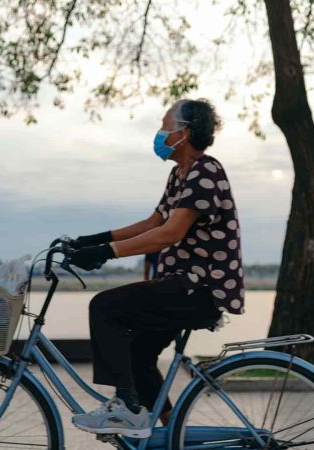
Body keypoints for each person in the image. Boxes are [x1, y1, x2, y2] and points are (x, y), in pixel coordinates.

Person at [67, 98, 245, 438]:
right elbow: (154, 221)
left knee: (104, 307)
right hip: (181, 285)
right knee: (137, 355)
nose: (160, 135)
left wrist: (106, 252)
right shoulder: (179, 175)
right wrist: (91, 240)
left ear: (184, 133)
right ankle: (172, 432)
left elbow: (169, 233)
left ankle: (127, 408)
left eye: (165, 128)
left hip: (199, 288)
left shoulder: (206, 171)